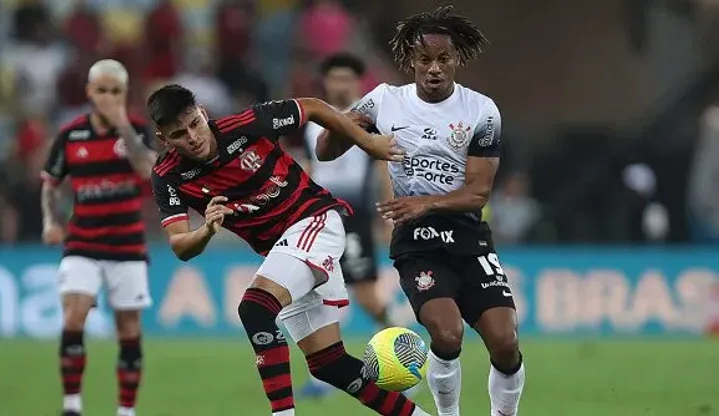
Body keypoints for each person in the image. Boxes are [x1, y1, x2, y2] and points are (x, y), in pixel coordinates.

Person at [147, 84, 431, 416]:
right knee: (329, 364)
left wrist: (367, 142)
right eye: (179, 134)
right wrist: (205, 231)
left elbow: (311, 106)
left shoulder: (245, 126)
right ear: (164, 140)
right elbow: (181, 246)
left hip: (315, 220)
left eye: (195, 123)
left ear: (203, 114)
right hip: (285, 250)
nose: (192, 137)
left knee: (255, 308)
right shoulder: (168, 177)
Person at [315, 6, 525, 416]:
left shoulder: (481, 111)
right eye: (424, 60)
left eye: (443, 59)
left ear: (457, 60)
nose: (433, 69)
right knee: (447, 335)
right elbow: (324, 150)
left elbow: (478, 193)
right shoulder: (383, 102)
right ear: (410, 60)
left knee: (505, 340)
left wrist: (424, 201)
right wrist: (356, 129)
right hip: (417, 240)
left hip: (468, 235)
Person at [40, 59, 158, 416]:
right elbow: (50, 183)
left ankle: (126, 410)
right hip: (82, 241)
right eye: (102, 90)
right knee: (74, 316)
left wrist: (121, 123)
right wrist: (50, 220)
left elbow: (147, 170)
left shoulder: (137, 130)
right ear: (90, 92)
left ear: (125, 94)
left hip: (127, 244)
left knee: (128, 329)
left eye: (115, 91)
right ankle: (72, 406)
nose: (108, 97)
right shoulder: (71, 135)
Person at [298, 52, 397, 398]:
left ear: (357, 82)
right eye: (334, 78)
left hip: (354, 216)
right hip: (318, 217)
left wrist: (388, 213)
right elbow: (310, 168)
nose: (340, 84)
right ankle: (320, 377)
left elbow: (383, 165)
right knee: (317, 296)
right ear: (325, 82)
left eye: (347, 78)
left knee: (368, 298)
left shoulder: (368, 119)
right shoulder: (311, 121)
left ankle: (402, 349)